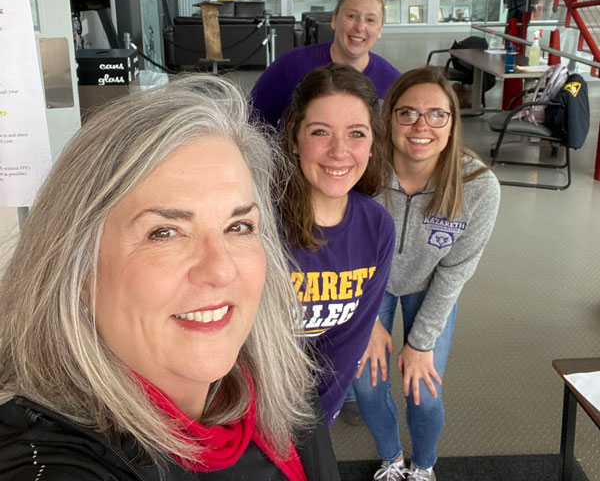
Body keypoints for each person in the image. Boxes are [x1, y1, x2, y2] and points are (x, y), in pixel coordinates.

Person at [0, 76, 340, 480]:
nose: (221, 269)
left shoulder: (279, 377)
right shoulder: (49, 459)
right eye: (164, 232)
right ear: (77, 269)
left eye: (239, 226)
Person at [352, 67, 501, 481]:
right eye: (408, 114)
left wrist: (419, 343)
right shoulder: (361, 173)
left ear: (453, 123)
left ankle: (424, 465)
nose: (422, 126)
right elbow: (344, 247)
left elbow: (455, 271)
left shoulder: (478, 186)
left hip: (431, 285)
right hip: (369, 284)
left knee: (424, 389)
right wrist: (365, 319)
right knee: (365, 383)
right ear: (389, 119)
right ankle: (392, 458)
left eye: (437, 115)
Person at [279, 62, 396, 427]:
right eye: (320, 132)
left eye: (357, 134)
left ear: (374, 144)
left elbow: (345, 348)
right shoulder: (258, 221)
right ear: (295, 139)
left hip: (310, 415)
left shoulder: (377, 228)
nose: (339, 151)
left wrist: (315, 428)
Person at [250, 0, 400, 126]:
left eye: (370, 20)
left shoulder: (394, 83)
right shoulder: (290, 66)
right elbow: (253, 124)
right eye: (351, 16)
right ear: (334, 20)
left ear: (380, 29)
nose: (360, 27)